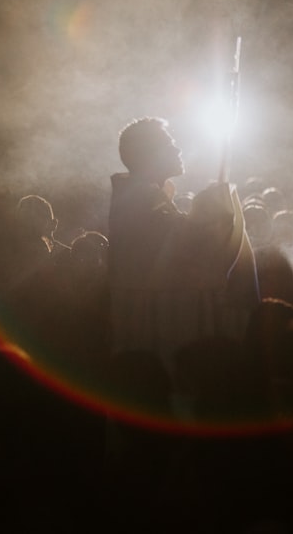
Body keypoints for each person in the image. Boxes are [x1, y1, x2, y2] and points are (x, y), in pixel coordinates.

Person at [106, 117, 259, 382]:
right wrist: (214, 202)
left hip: (165, 313)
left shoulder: (148, 194)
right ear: (149, 155)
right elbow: (190, 249)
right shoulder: (137, 199)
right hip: (162, 320)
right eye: (169, 143)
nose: (177, 149)